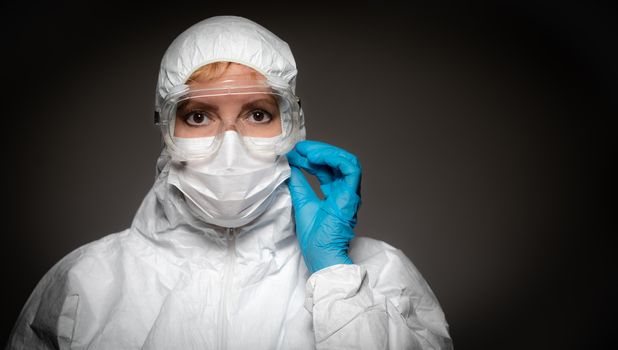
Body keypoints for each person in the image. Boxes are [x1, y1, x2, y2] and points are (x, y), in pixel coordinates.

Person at [6, 15, 453, 349]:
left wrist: (335, 277)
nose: (230, 144)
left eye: (258, 114)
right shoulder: (87, 282)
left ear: (293, 125)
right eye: (198, 116)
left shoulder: (379, 274)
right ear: (166, 128)